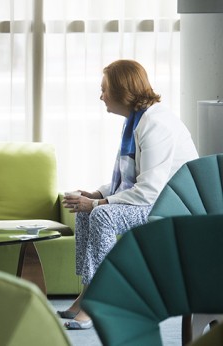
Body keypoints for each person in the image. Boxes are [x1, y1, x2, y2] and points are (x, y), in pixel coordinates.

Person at [59, 60, 198, 330]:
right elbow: (129, 179)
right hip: (154, 199)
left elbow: (149, 190)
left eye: (105, 89)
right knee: (87, 214)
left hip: (171, 206)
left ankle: (104, 301)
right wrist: (98, 193)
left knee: (101, 215)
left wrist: (99, 203)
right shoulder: (137, 120)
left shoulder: (156, 124)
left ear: (123, 90)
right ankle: (87, 294)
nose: (101, 96)